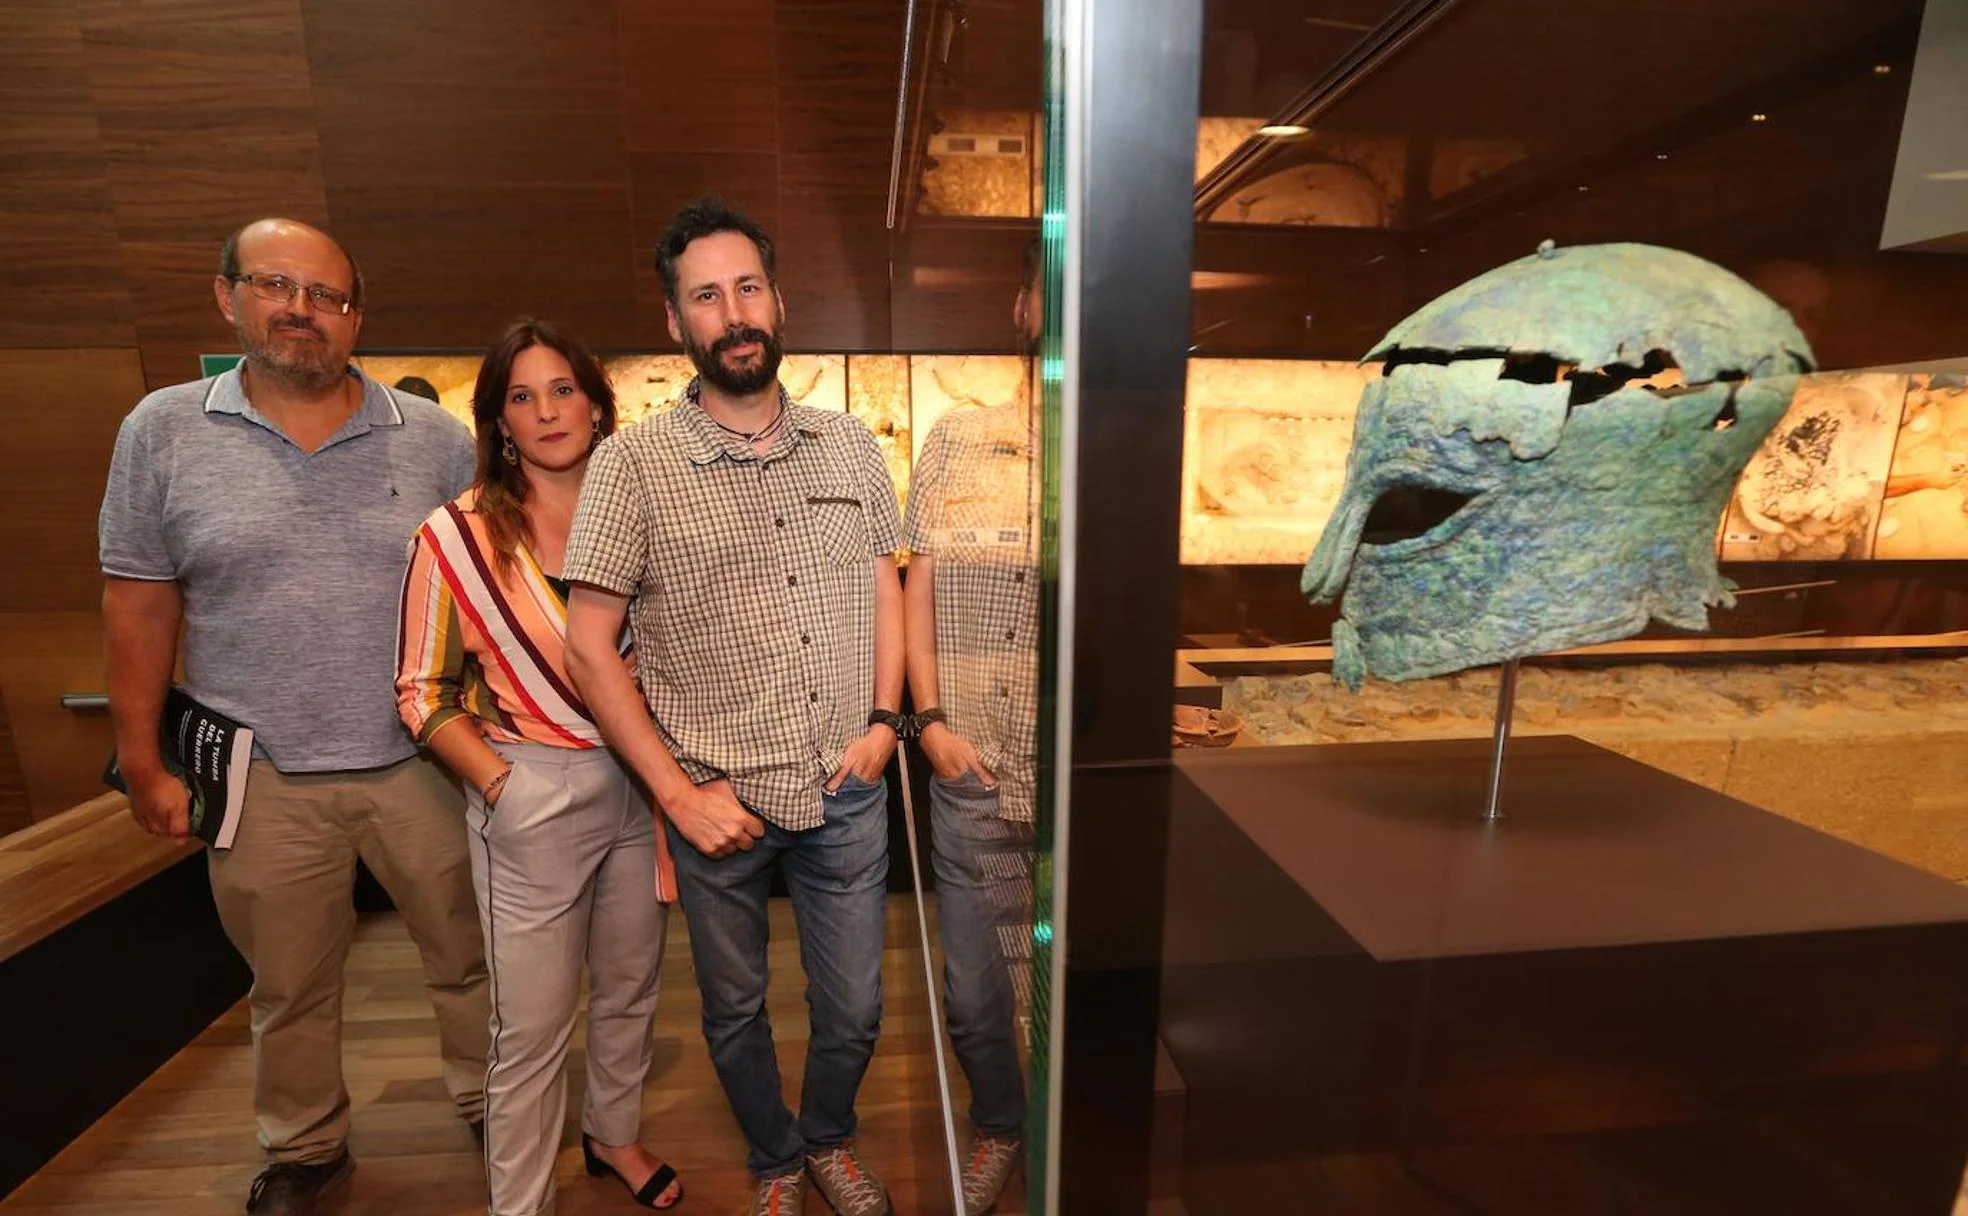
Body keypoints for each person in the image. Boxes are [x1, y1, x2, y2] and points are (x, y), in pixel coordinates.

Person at [98, 218, 490, 1216]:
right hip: (258, 770)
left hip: (424, 760)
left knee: (473, 955)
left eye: (326, 295)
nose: (301, 310)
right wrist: (141, 761)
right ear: (226, 293)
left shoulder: (435, 438)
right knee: (288, 985)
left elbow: (487, 600)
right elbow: (140, 602)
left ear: (356, 315)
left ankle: (498, 1102)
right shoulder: (163, 430)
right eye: (277, 284)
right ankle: (306, 1147)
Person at [559, 198, 905, 1216]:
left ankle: (829, 1136)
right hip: (718, 796)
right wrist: (675, 792)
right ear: (677, 325)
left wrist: (887, 720)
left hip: (848, 779)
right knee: (734, 1008)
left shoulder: (850, 444)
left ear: (780, 300)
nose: (734, 310)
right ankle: (775, 1158)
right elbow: (590, 641)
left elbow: (883, 585)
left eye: (748, 286)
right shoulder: (631, 465)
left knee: (854, 1008)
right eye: (706, 295)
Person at [396, 317, 684, 1214]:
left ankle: (613, 1136)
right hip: (531, 790)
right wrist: (495, 783)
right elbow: (419, 689)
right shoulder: (454, 537)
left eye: (563, 389)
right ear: (499, 423)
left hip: (647, 785)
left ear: (598, 406)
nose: (547, 410)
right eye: (521, 397)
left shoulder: (647, 509)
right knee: (528, 1028)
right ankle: (520, 1204)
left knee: (633, 985)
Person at [901, 241, 1043, 1214]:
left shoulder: (1125, 438)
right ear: (1026, 302)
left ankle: (1066, 1127)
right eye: (1051, 287)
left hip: (1073, 755)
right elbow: (912, 586)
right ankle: (999, 1120)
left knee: (1071, 961)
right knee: (975, 982)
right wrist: (930, 717)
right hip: (969, 749)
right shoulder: (957, 434)